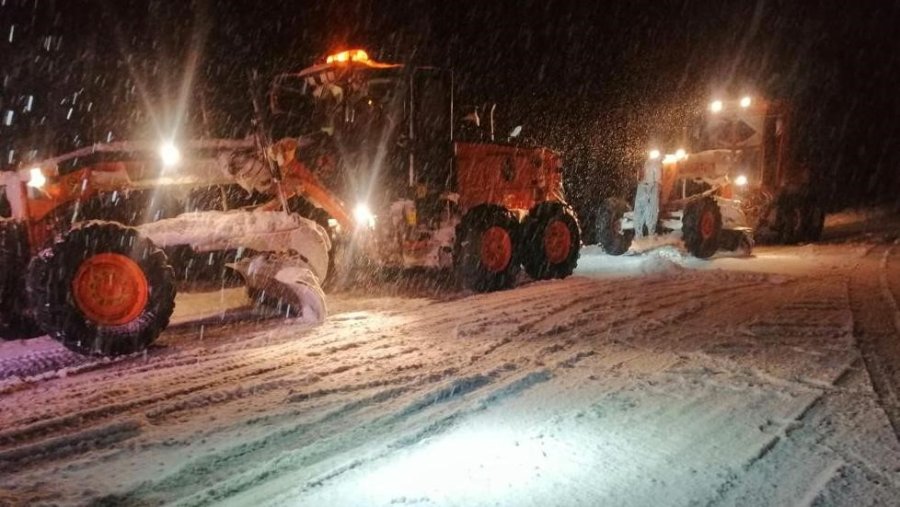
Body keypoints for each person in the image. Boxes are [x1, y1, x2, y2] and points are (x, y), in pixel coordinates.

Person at [633, 153, 662, 239]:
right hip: (646, 186)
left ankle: (649, 234)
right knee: (644, 209)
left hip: (651, 185)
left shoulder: (655, 164)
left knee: (650, 209)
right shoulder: (648, 163)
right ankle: (641, 234)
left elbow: (657, 177)